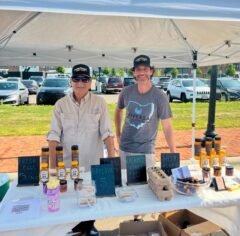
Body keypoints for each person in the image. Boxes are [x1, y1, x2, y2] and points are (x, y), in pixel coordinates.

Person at [47, 63, 115, 235]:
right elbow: (54, 136)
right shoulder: (60, 105)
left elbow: (107, 133)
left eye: (84, 79)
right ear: (71, 81)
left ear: (90, 82)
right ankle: (75, 230)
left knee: (92, 202)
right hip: (68, 168)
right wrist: (53, 168)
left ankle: (88, 228)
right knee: (69, 202)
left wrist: (112, 164)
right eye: (76, 79)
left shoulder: (100, 103)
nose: (80, 83)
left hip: (93, 165)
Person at [115, 55, 176, 169]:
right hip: (125, 148)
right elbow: (118, 111)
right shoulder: (126, 92)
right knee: (125, 185)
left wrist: (173, 152)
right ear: (134, 73)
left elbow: (167, 127)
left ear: (151, 71)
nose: (141, 72)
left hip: (146, 151)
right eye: (138, 69)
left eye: (145, 69)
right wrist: (118, 134)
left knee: (145, 185)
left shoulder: (160, 96)